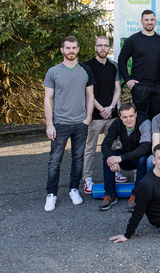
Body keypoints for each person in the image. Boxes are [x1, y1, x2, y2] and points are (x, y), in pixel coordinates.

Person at [43, 36, 95, 212]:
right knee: (55, 161)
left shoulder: (86, 70)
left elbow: (90, 95)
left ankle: (74, 189)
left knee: (78, 159)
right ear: (62, 50)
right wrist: (49, 124)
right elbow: (48, 98)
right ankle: (51, 194)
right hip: (60, 123)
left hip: (80, 123)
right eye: (68, 48)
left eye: (74, 48)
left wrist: (88, 118)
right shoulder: (53, 72)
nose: (71, 51)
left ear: (78, 49)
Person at [83, 36, 122, 195]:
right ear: (95, 47)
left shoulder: (113, 66)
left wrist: (111, 107)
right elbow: (88, 93)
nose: (103, 48)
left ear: (109, 48)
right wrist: (101, 109)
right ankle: (87, 178)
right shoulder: (87, 66)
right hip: (95, 115)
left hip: (112, 114)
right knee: (90, 148)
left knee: (114, 146)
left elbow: (118, 89)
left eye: (105, 45)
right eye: (99, 45)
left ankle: (115, 172)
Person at [118, 9, 160, 119]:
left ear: (155, 21)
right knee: (140, 118)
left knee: (157, 118)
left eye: (152, 19)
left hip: (158, 85)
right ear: (141, 21)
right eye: (146, 20)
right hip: (139, 86)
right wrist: (128, 81)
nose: (149, 22)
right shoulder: (133, 39)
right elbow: (122, 60)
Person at [99, 103, 152, 212]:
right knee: (108, 157)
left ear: (136, 114)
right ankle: (110, 194)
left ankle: (136, 195)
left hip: (140, 158)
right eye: (125, 117)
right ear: (120, 117)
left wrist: (121, 158)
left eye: (131, 116)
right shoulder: (116, 123)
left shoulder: (144, 122)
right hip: (127, 155)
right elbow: (105, 144)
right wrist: (111, 159)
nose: (128, 120)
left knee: (143, 158)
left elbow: (145, 147)